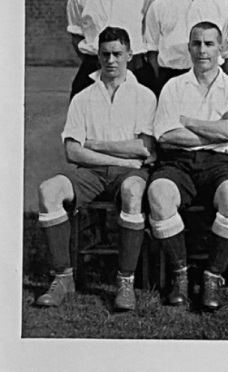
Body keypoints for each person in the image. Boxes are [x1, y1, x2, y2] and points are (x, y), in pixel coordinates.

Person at [34, 27, 157, 314]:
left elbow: (143, 148)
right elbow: (72, 152)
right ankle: (63, 277)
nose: (111, 60)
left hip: (130, 174)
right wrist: (122, 156)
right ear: (97, 55)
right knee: (48, 190)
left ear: (130, 54)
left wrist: (95, 144)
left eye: (117, 54)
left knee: (133, 190)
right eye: (105, 54)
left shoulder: (145, 96)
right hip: (91, 173)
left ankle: (125, 281)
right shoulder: (83, 97)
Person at [147, 21, 228, 312]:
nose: (202, 50)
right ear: (189, 47)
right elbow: (166, 136)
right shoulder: (173, 86)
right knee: (159, 192)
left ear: (222, 48)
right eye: (196, 43)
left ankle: (212, 276)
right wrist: (217, 129)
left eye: (209, 44)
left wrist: (188, 121)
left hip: (221, 163)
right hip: (178, 162)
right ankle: (180, 275)